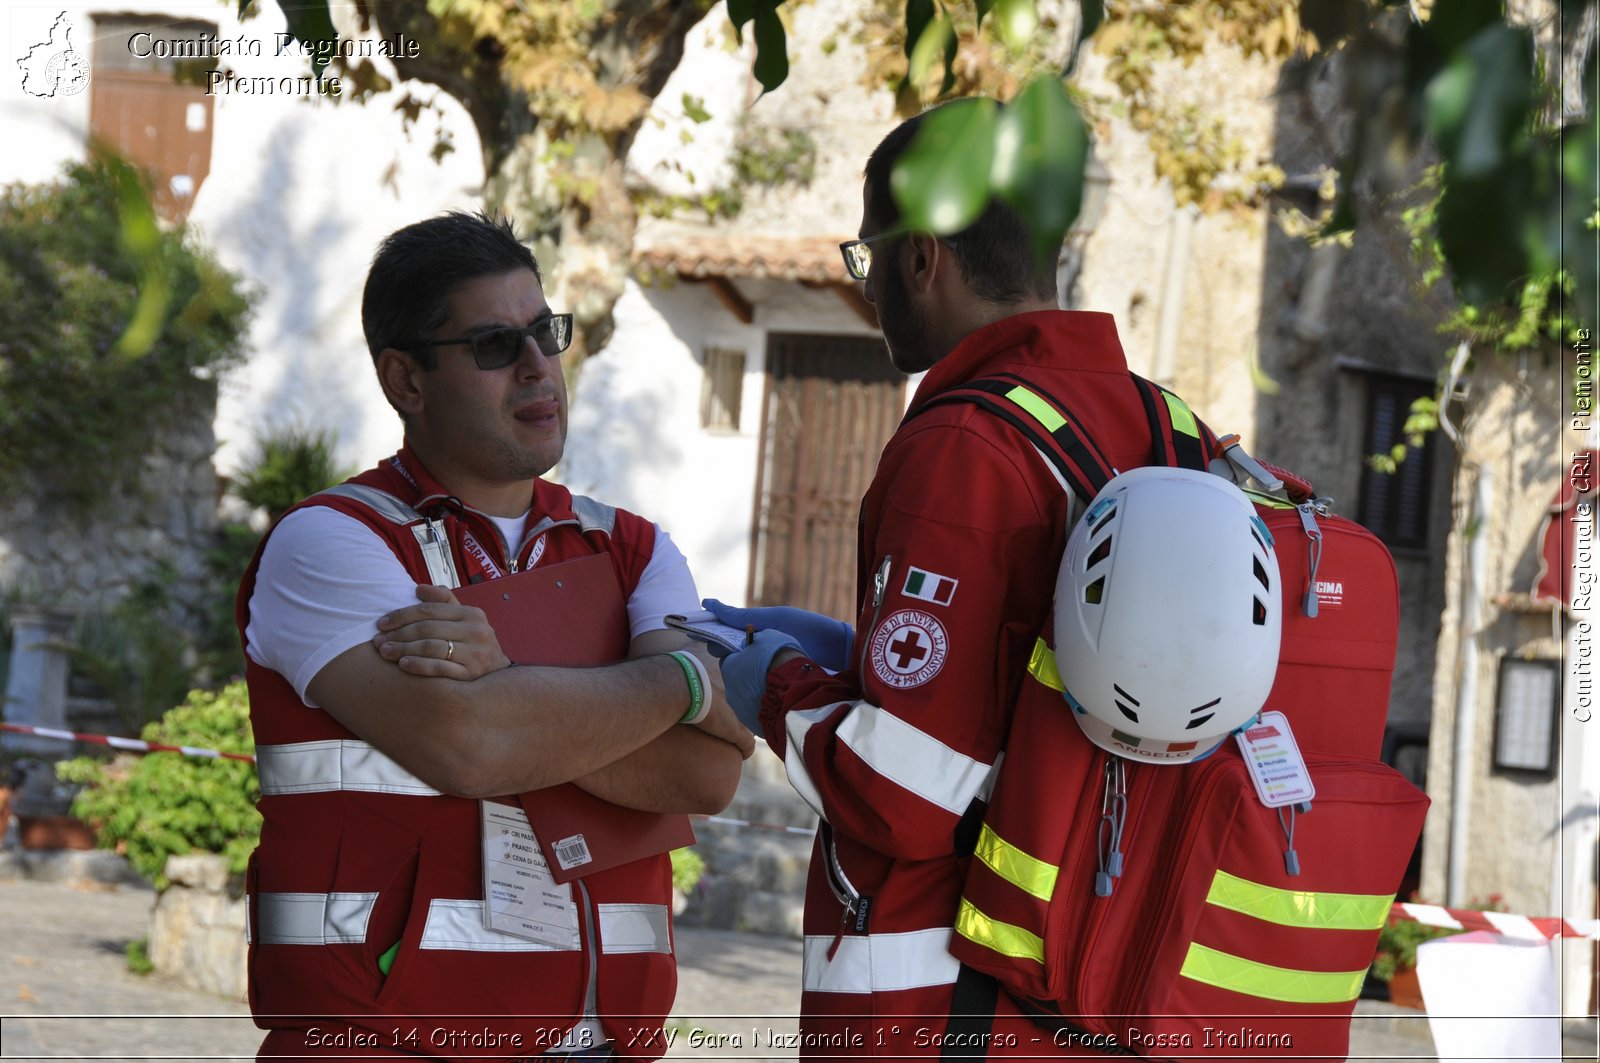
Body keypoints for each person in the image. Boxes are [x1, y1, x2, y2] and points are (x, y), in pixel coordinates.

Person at [707, 101, 1219, 1058]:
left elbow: (902, 791)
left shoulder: (964, 443)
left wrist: (773, 685)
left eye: (869, 260)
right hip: (1096, 980)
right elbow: (1025, 701)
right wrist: (853, 659)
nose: (871, 290)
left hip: (939, 998)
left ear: (920, 259)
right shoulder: (1172, 429)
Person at [237, 211, 753, 1062]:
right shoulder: (330, 541)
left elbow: (706, 772)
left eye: (545, 333)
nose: (536, 367)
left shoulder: (635, 549)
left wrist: (510, 677)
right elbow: (472, 742)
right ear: (405, 379)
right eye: (491, 345)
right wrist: (688, 685)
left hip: (608, 1043)